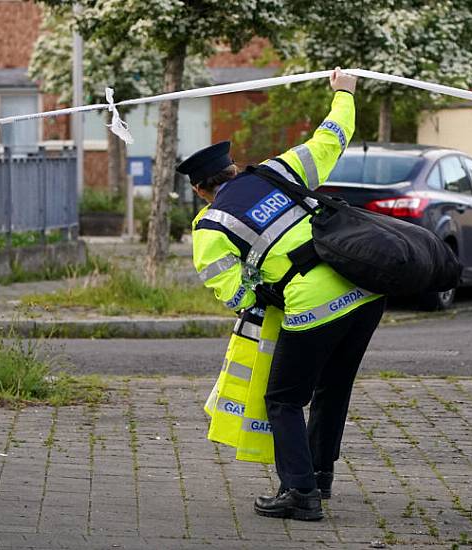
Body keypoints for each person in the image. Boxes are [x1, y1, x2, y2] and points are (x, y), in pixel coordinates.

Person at [177, 68, 384, 521]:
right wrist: (344, 92)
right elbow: (333, 136)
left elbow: (237, 296)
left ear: (199, 190)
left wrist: (268, 283)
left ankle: (300, 494)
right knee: (333, 385)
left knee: (284, 398)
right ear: (234, 166)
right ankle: (319, 477)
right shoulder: (280, 169)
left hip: (315, 306)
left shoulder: (210, 226)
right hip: (365, 291)